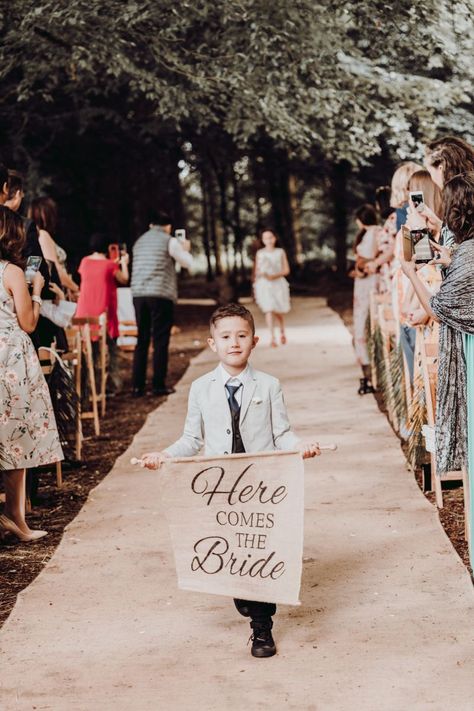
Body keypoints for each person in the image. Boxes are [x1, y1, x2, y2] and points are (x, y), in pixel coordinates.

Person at [139, 303, 321, 658]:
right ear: (212, 344)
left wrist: (300, 447)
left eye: (241, 336)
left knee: (262, 549)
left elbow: (281, 433)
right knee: (236, 549)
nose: (234, 343)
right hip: (221, 487)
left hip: (262, 485)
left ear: (255, 341)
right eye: (226, 337)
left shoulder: (269, 386)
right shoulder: (201, 388)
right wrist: (166, 455)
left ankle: (262, 628)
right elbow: (192, 438)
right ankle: (243, 592)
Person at [400, 172, 474, 478]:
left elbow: (438, 308)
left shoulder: (468, 256)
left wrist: (411, 274)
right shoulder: (464, 251)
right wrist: (449, 258)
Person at [0, 206, 63, 542]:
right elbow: (28, 322)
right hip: (9, 359)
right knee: (15, 439)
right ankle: (15, 517)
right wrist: (36, 288)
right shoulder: (10, 272)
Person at [130, 211, 193, 397]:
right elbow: (188, 263)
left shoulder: (139, 241)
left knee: (141, 340)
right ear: (168, 227)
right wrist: (186, 249)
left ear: (151, 225)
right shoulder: (170, 240)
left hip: (139, 294)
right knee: (160, 340)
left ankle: (137, 386)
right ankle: (158, 385)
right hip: (160, 295)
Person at [75, 233, 129, 392]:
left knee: (87, 353)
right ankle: (112, 385)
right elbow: (124, 279)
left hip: (84, 313)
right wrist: (124, 263)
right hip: (103, 312)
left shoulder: (84, 262)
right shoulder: (110, 265)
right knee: (111, 350)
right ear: (107, 247)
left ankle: (86, 388)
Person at [350, 204, 381, 395]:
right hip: (365, 281)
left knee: (365, 320)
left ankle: (369, 368)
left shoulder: (372, 233)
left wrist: (360, 267)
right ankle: (368, 368)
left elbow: (366, 259)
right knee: (363, 318)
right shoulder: (373, 232)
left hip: (369, 281)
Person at [29, 196, 79, 298]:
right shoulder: (43, 235)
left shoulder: (38, 235)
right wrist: (77, 289)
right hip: (56, 296)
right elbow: (55, 269)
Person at [253, 228, 291, 347]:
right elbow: (257, 271)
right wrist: (262, 275)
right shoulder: (260, 253)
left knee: (278, 310)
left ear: (274, 238)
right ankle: (272, 337)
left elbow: (286, 270)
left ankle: (282, 331)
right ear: (263, 240)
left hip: (278, 284)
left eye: (270, 237)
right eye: (266, 238)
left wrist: (274, 276)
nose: (268, 240)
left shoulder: (280, 252)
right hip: (265, 285)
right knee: (268, 309)